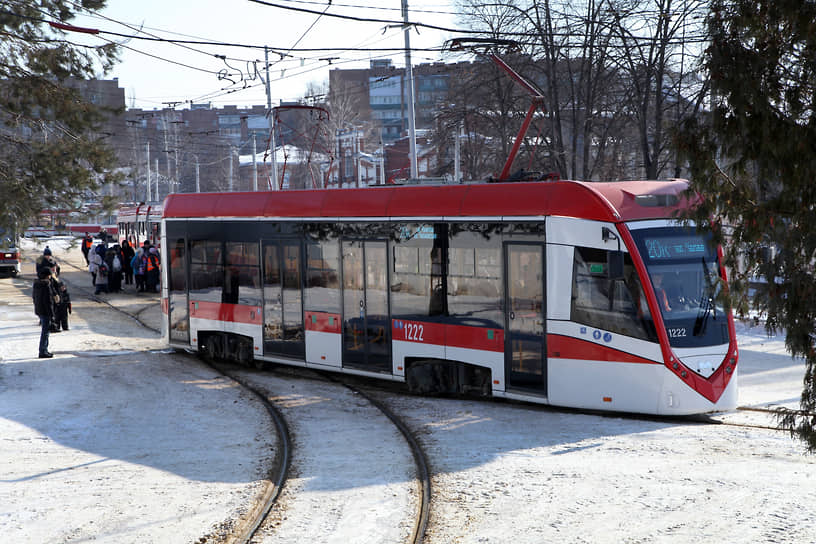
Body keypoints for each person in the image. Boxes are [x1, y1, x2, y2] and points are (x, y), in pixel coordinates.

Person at [32, 267, 57, 358]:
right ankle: (43, 351)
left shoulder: (36, 284)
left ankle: (43, 350)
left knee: (45, 331)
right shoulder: (46, 285)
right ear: (47, 276)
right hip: (45, 311)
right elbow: (48, 301)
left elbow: (34, 298)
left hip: (39, 310)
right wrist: (52, 315)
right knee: (45, 332)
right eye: (50, 275)